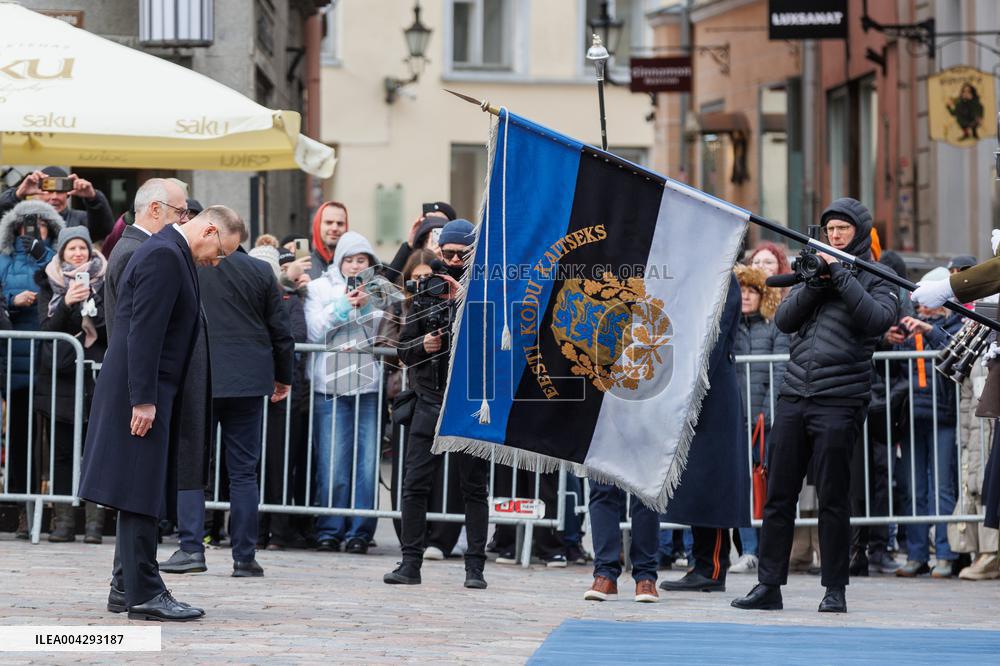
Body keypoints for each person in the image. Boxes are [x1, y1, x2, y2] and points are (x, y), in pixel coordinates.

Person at [78, 206, 246, 621]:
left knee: (140, 489)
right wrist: (144, 399)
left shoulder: (172, 252)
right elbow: (144, 331)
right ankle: (144, 593)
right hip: (142, 394)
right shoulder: (165, 255)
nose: (218, 261)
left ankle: (127, 586)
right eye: (222, 250)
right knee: (139, 492)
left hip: (148, 391)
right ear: (209, 229)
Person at [732, 198, 897, 614]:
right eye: (830, 230)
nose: (835, 236)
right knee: (778, 495)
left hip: (840, 400)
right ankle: (769, 584)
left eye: (843, 229)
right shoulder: (812, 274)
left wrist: (840, 276)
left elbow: (878, 321)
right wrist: (817, 283)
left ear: (859, 232)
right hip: (794, 395)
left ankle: (835, 588)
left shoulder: (880, 275)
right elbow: (785, 319)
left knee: (833, 497)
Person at [160, 240, 294, 577]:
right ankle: (244, 557)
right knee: (244, 472)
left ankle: (191, 548)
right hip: (248, 381)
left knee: (191, 466)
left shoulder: (191, 266)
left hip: (200, 377)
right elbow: (281, 331)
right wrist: (283, 377)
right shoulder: (260, 270)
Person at [384, 219, 490, 589]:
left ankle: (475, 567)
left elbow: (500, 347)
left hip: (467, 403)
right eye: (449, 253)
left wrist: (467, 301)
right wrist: (423, 346)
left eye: (464, 253)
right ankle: (410, 562)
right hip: (428, 399)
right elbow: (402, 349)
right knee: (414, 484)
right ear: (439, 252)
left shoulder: (485, 290)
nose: (456, 260)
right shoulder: (427, 292)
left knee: (473, 487)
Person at [659, 274, 747, 595]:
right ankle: (702, 562)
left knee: (714, 482)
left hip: (712, 389)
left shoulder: (723, 279)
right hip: (692, 389)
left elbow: (713, 335)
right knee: (699, 481)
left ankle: (712, 567)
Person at [306, 230, 384, 553]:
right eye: (349, 260)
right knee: (333, 462)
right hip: (330, 386)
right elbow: (313, 331)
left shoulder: (380, 290)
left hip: (366, 384)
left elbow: (384, 330)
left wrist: (366, 308)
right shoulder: (319, 287)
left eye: (361, 260)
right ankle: (330, 527)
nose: (354, 266)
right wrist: (342, 306)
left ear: (370, 263)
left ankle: (361, 531)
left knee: (366, 465)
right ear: (339, 262)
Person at [34, 227, 108, 543]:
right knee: (62, 454)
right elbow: (47, 329)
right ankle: (62, 521)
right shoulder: (48, 285)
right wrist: (66, 303)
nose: (78, 254)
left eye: (82, 248)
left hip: (96, 378)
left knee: (95, 453)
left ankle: (93, 524)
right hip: (60, 381)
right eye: (71, 249)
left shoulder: (105, 281)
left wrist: (92, 301)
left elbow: (110, 327)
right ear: (61, 253)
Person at [894, 268, 963, 578]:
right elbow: (892, 368)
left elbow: (957, 351)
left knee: (942, 488)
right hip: (911, 418)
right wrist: (893, 338)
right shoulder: (906, 328)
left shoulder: (955, 323)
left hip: (944, 415)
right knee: (913, 489)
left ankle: (946, 554)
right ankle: (916, 554)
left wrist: (930, 330)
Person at [0, 200, 62, 536]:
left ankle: (55, 511)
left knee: (54, 441)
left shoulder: (55, 255)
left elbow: (63, 282)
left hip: (53, 361)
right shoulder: (5, 259)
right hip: (18, 361)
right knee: (22, 441)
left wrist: (43, 254)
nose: (31, 230)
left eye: (39, 224)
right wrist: (13, 301)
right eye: (25, 224)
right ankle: (23, 512)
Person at [728, 265, 788, 575]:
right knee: (742, 489)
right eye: (743, 290)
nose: (748, 296)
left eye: (753, 290)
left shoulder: (774, 326)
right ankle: (748, 550)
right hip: (735, 419)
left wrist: (768, 412)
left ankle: (768, 550)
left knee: (765, 486)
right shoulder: (730, 326)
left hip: (763, 420)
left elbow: (779, 372)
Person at [259, 248, 313, 550]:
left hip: (285, 394)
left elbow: (297, 339)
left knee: (280, 466)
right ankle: (256, 531)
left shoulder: (289, 300)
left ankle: (279, 532)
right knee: (254, 466)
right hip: (255, 392)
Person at [105, 180, 191, 339]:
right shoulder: (138, 252)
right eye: (180, 212)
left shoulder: (137, 247)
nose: (186, 220)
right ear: (155, 210)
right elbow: (141, 329)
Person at [0, 167, 113, 241]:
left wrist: (93, 198)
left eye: (60, 192)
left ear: (68, 194)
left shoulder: (80, 219)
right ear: (36, 194)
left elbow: (104, 231)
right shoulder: (23, 219)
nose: (54, 197)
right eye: (48, 191)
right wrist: (17, 194)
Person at [387, 202, 456, 277]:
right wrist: (410, 246)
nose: (435, 222)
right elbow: (389, 283)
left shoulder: (456, 256)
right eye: (431, 219)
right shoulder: (416, 257)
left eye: (440, 220)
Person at [307, 201, 349, 279]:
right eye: (329, 222)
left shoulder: (355, 266)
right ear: (318, 226)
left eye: (340, 224)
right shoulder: (304, 266)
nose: (334, 228)